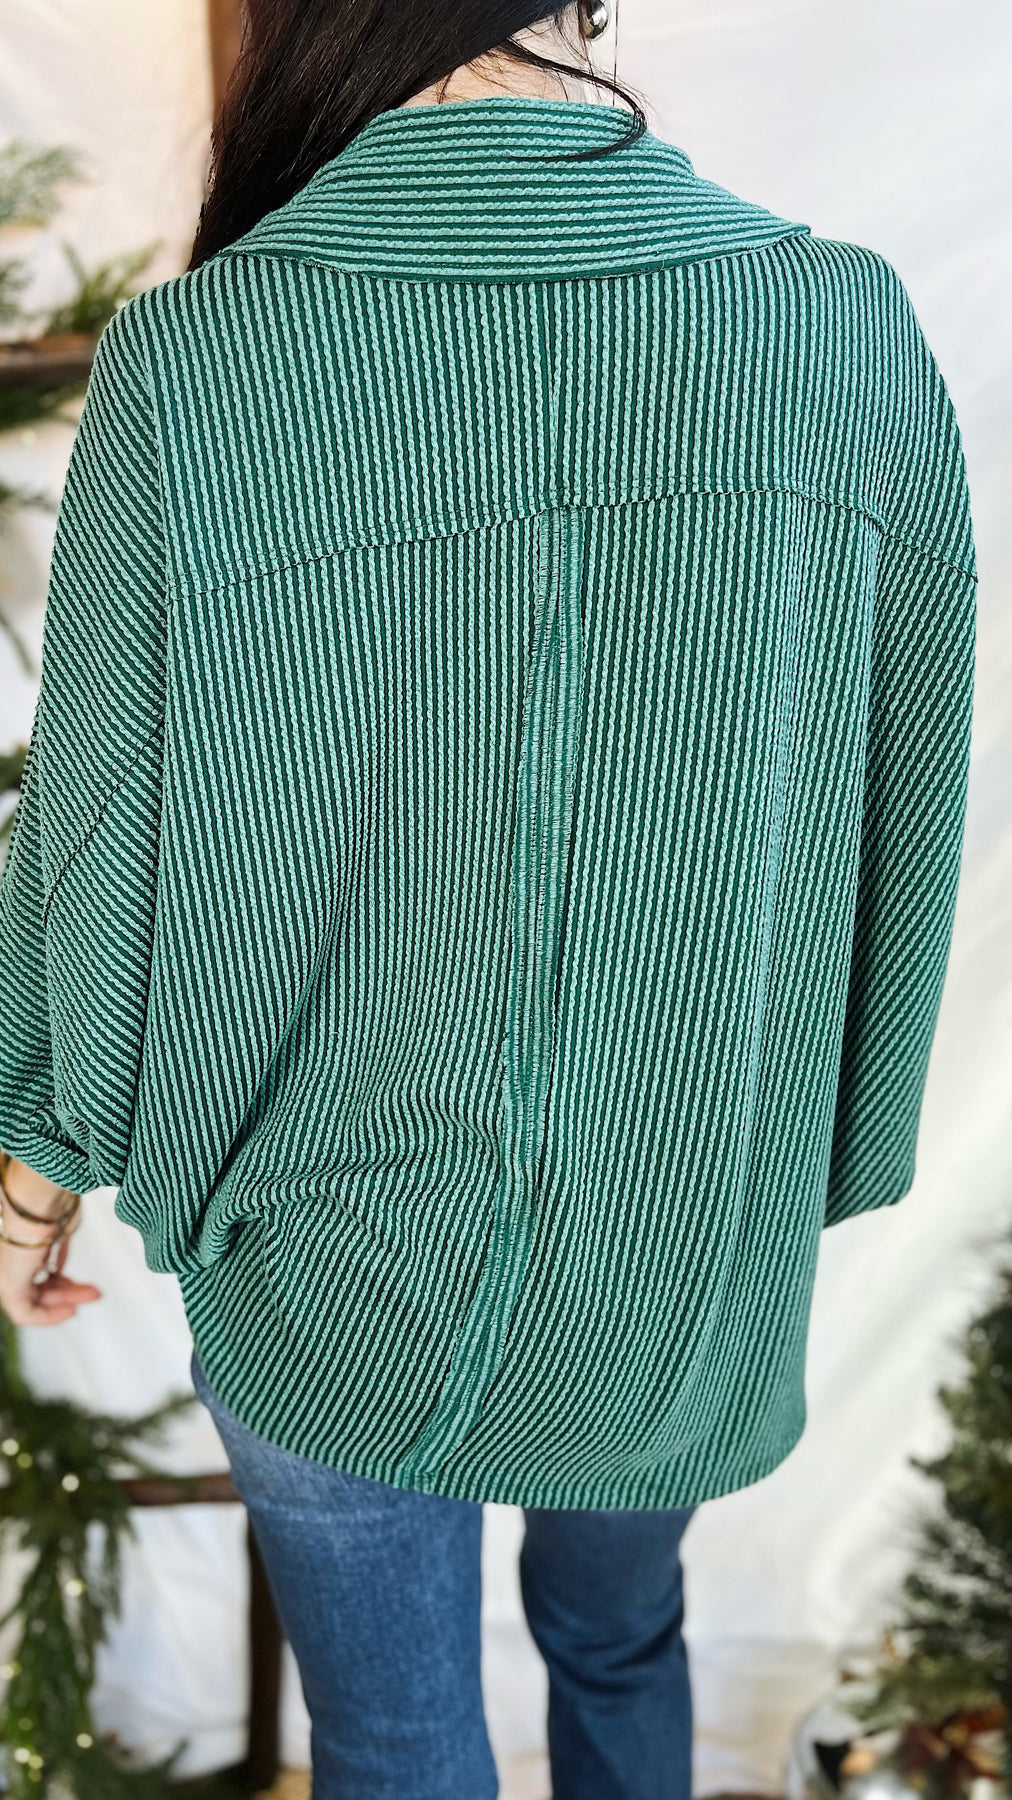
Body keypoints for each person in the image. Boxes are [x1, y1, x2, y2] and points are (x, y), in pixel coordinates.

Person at [0, 2, 977, 1796]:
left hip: (321, 1249)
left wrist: (34, 1167)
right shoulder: (837, 331)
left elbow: (96, 830)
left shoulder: (201, 360)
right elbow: (904, 797)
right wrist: (810, 1156)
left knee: (391, 1738)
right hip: (681, 1224)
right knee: (625, 1641)